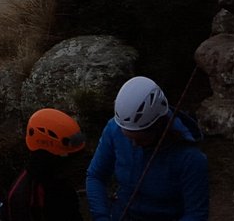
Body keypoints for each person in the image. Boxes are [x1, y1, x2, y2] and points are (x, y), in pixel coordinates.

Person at [85, 76, 209, 221]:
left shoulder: (190, 158)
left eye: (140, 139)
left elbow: (196, 214)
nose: (134, 144)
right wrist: (101, 217)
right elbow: (95, 176)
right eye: (128, 138)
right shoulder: (114, 129)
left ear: (158, 126)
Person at [7, 107, 87, 221]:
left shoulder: (58, 180)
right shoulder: (24, 198)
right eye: (69, 157)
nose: (73, 164)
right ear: (49, 155)